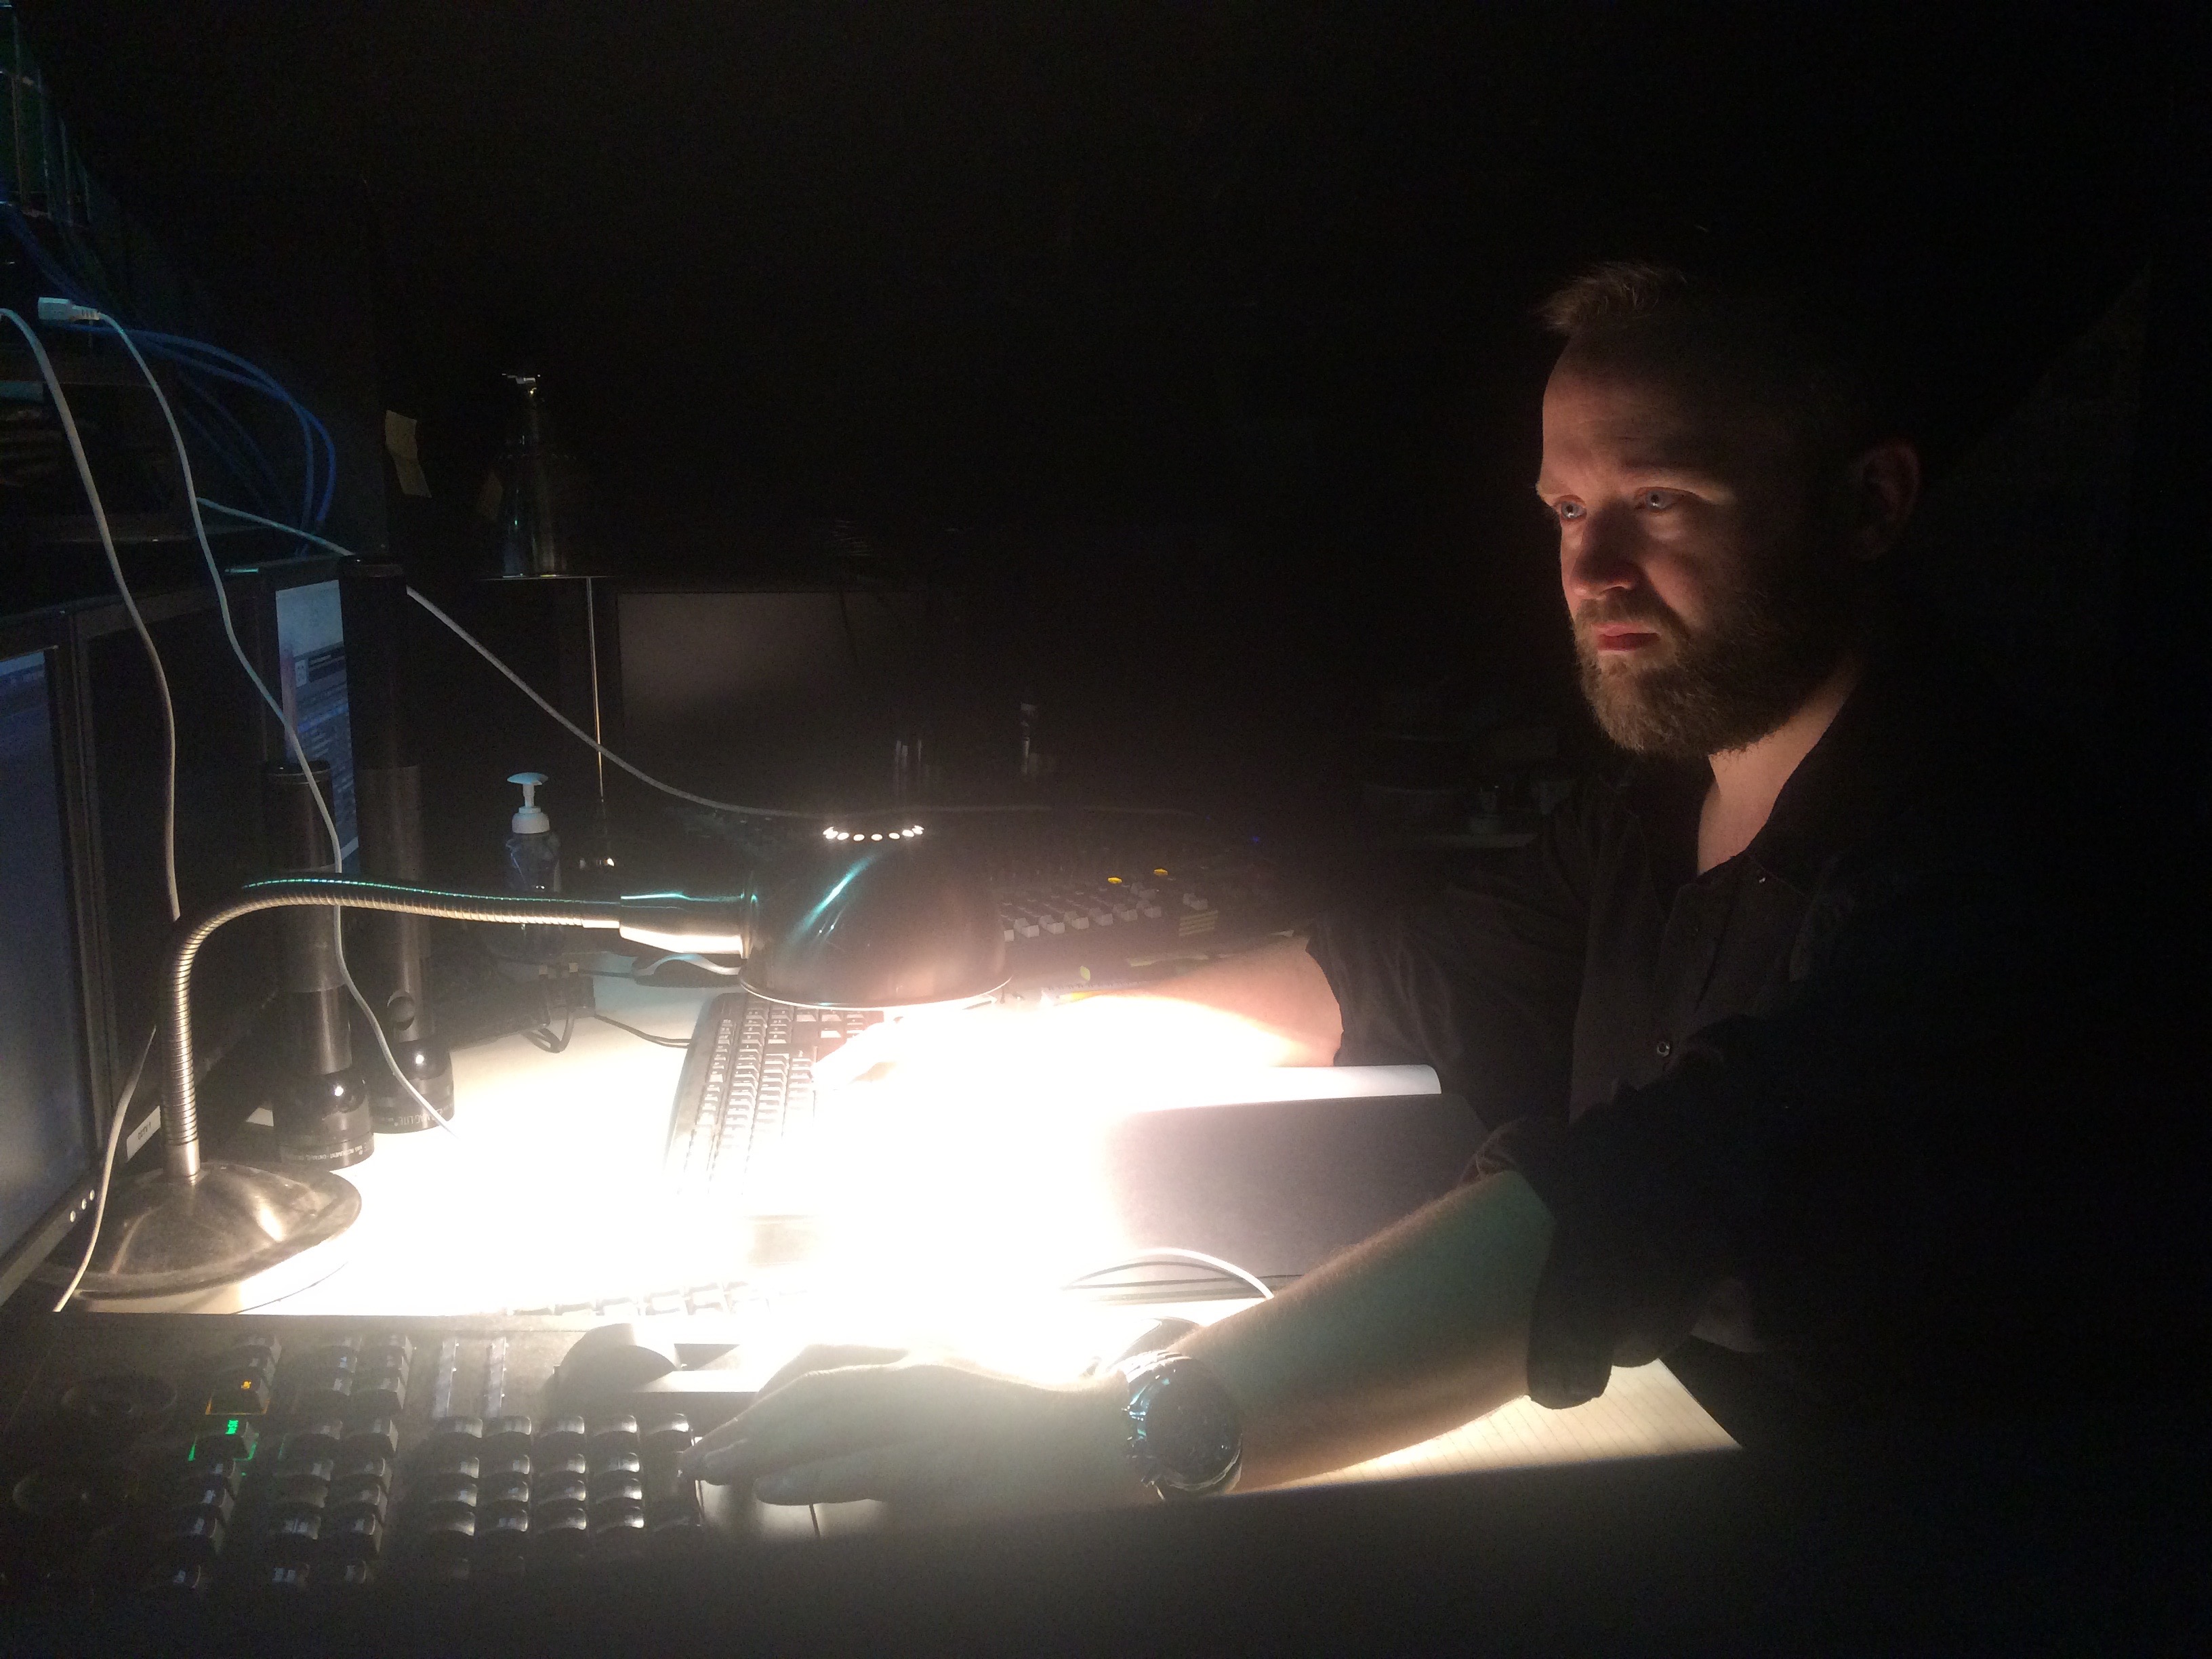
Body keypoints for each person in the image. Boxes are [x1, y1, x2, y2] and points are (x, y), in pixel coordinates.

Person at [682, 262, 2188, 1513]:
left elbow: (1677, 1190)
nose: (1590, 571)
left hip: (1917, 1566)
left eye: (1661, 501)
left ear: (1869, 504)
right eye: (1562, 511)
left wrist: (1116, 1433)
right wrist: (1023, 1043)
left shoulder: (1996, 865)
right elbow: (1390, 977)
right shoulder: (1659, 809)